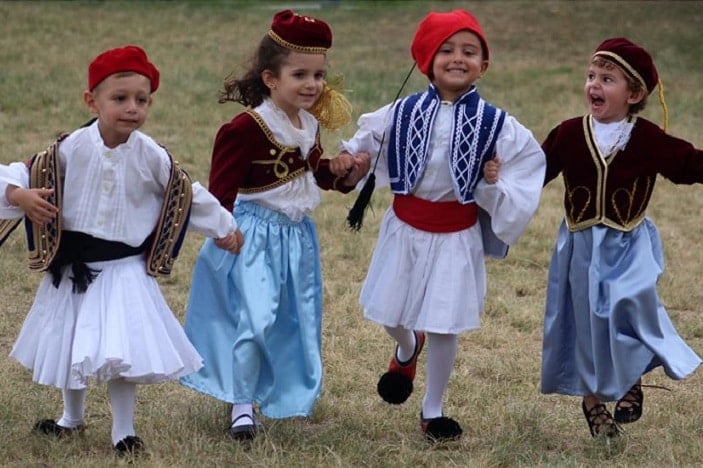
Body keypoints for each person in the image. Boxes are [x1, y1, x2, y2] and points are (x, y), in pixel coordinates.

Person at [0, 45, 242, 456]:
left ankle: (123, 431)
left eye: (141, 100)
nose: (132, 108)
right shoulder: (70, 147)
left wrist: (224, 227)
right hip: (73, 267)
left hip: (124, 269)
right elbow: (20, 172)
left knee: (120, 353)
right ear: (91, 101)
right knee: (69, 345)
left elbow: (186, 194)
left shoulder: (150, 155)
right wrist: (19, 195)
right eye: (120, 98)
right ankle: (71, 418)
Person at [337, 9, 545, 442]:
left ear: (483, 65)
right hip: (405, 227)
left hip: (455, 235)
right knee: (388, 310)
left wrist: (493, 184)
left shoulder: (498, 124)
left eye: (469, 52)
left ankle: (433, 410)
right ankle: (408, 345)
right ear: (427, 60)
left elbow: (525, 171)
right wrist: (353, 162)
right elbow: (365, 148)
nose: (457, 58)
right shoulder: (401, 111)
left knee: (446, 322)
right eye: (446, 50)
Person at [179, 10, 370, 441]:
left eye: (319, 75)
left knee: (290, 318)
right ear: (270, 78)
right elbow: (220, 189)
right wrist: (222, 231)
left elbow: (314, 174)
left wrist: (344, 172)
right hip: (251, 235)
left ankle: (279, 393)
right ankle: (241, 403)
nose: (312, 84)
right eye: (299, 74)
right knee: (254, 316)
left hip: (296, 238)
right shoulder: (246, 128)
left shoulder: (311, 124)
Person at [539, 37, 703, 438]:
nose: (594, 85)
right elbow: (533, 172)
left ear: (634, 94)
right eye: (591, 76)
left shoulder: (646, 138)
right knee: (587, 321)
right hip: (580, 246)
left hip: (628, 245)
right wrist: (495, 175)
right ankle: (593, 400)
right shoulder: (567, 134)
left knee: (631, 308)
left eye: (607, 79)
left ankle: (630, 378)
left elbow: (685, 165)